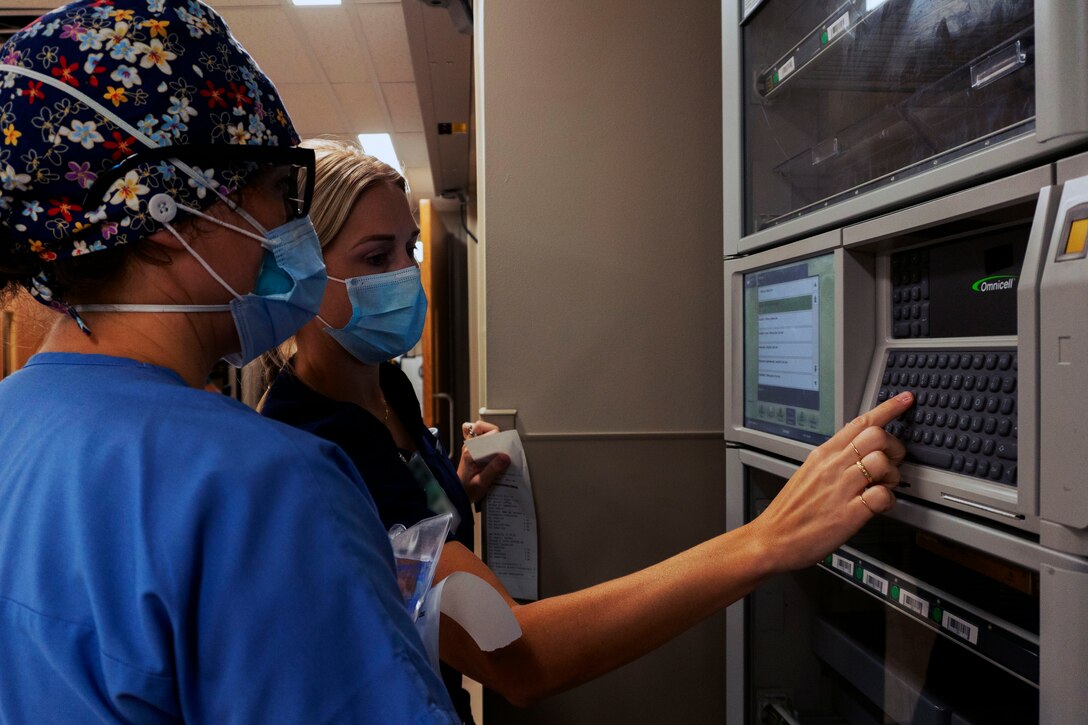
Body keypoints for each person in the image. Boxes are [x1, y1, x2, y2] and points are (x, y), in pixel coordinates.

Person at [258, 139, 915, 717]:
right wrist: (770, 539)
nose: (404, 273)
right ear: (305, 277)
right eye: (376, 257)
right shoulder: (315, 441)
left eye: (411, 248)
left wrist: (458, 487)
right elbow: (519, 656)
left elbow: (408, 537)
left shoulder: (383, 384)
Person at [0, 3, 456, 722]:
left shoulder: (15, 427)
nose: (289, 230)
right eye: (278, 193)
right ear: (162, 219)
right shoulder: (263, 486)